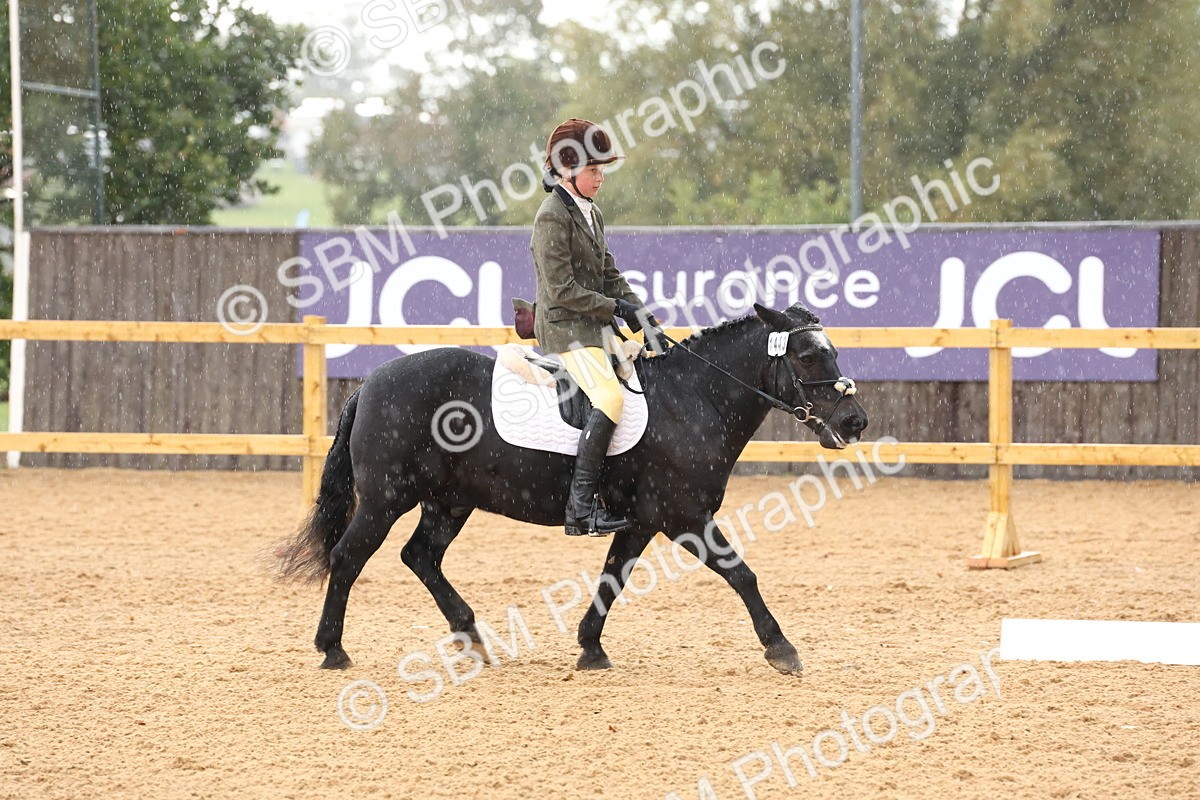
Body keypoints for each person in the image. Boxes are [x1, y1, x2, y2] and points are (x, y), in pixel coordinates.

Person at [530, 118, 666, 537]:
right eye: (593, 170)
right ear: (568, 170)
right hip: (564, 329)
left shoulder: (592, 214)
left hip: (591, 328)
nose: (600, 178)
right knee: (609, 396)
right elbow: (561, 289)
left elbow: (610, 273)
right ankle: (580, 509)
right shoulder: (552, 216)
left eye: (601, 169)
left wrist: (644, 318)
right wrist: (615, 307)